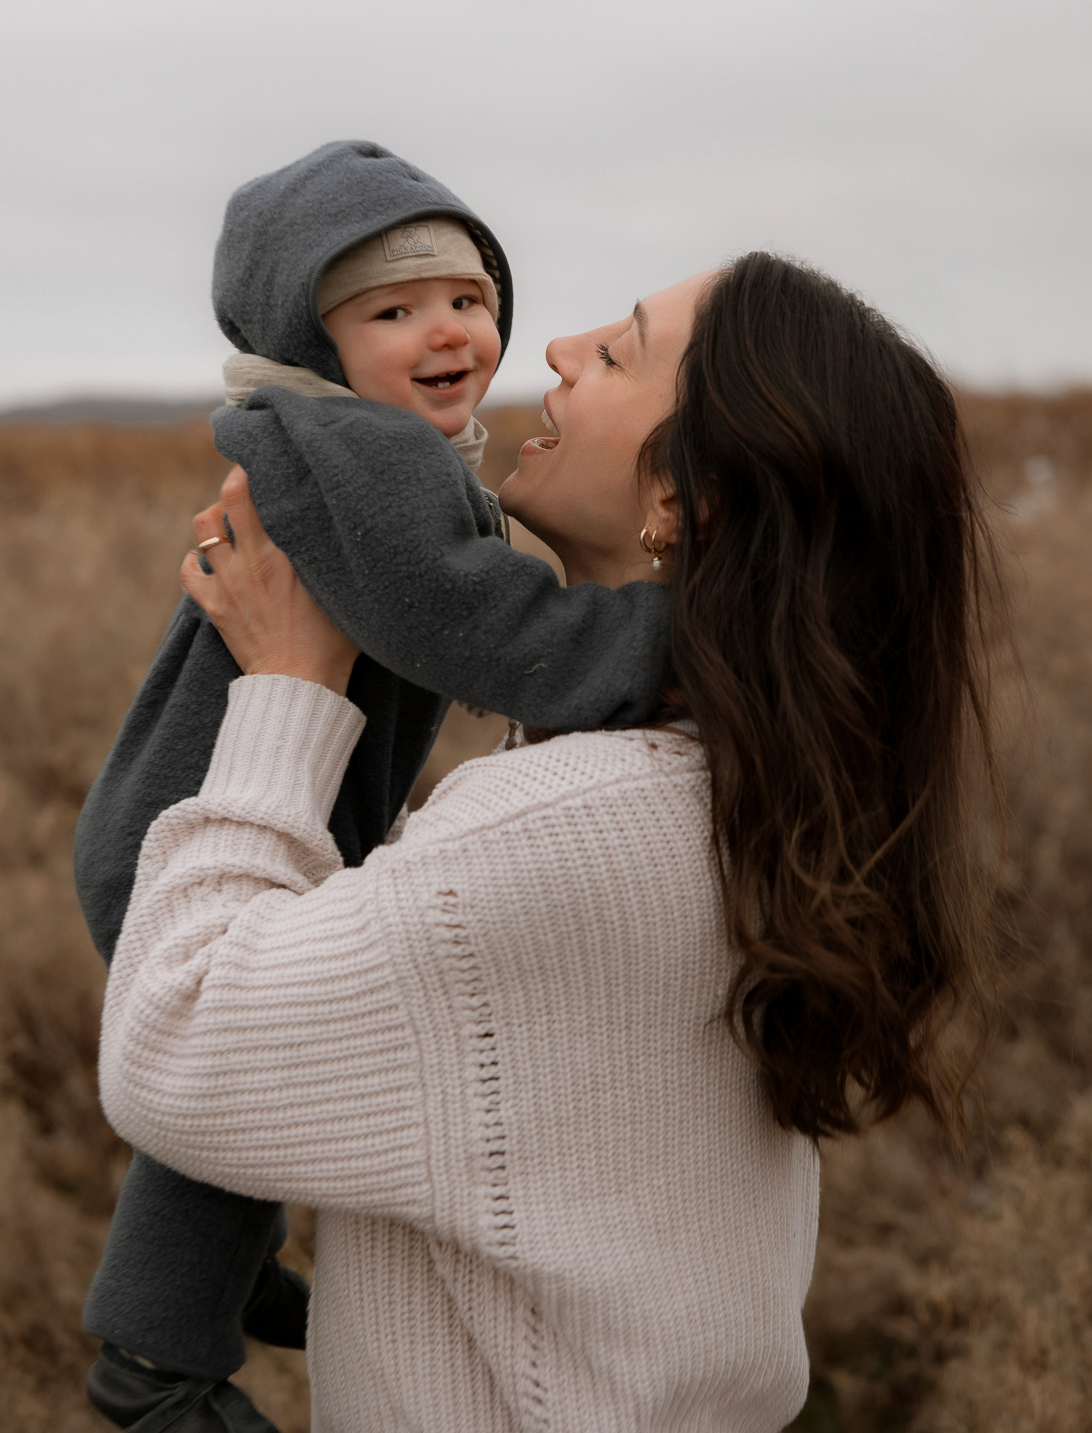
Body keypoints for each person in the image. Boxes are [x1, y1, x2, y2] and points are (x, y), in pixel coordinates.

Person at [98, 253, 999, 1433]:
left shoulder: (567, 836)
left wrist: (288, 687)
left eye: (618, 349)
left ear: (681, 497)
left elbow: (172, 1045)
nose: (558, 347)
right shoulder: (750, 791)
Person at [75, 141, 675, 1431]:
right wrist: (657, 643)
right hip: (195, 817)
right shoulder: (362, 452)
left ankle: (230, 1276)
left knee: (261, 1068)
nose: (443, 330)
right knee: (229, 1076)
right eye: (389, 312)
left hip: (250, 796)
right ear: (318, 339)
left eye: (463, 296)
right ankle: (154, 1362)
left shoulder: (379, 442)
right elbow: (467, 623)